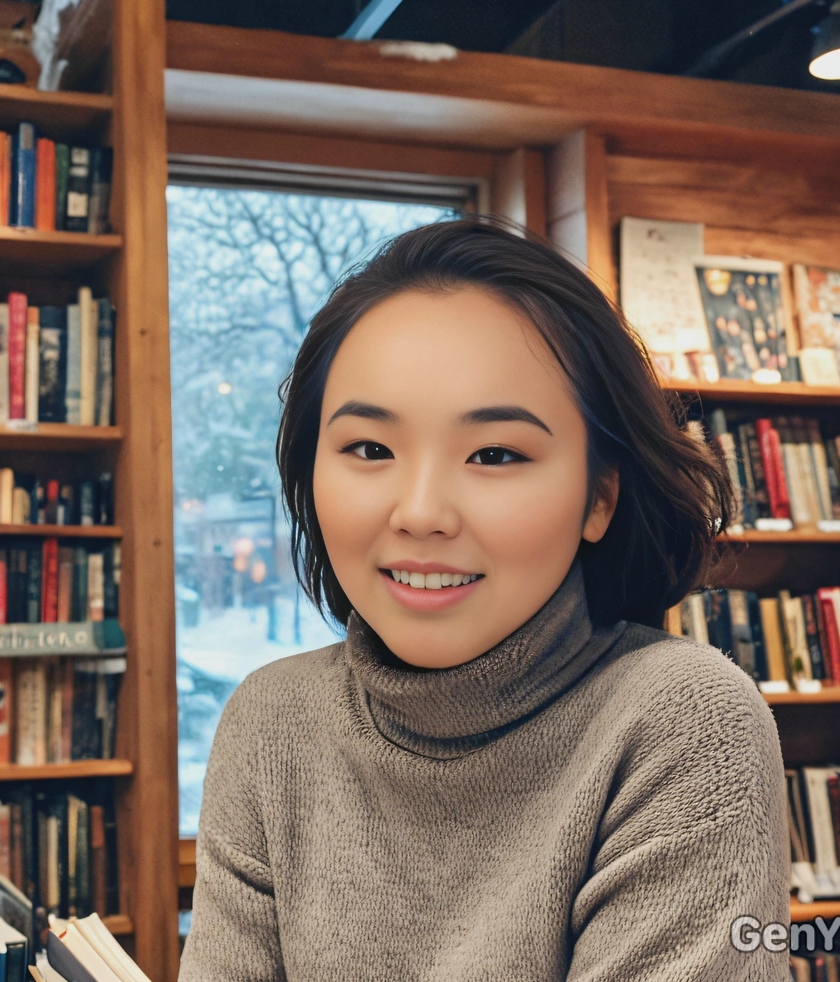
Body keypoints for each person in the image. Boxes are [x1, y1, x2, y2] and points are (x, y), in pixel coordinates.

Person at [177, 216, 790, 982]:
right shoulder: (271, 720)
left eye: (494, 454)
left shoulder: (682, 719)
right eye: (370, 449)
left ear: (599, 497)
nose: (421, 510)